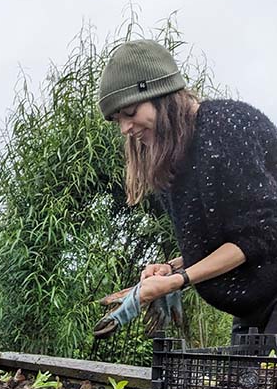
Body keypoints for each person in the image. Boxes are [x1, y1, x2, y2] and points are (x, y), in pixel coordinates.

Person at [97, 39, 277, 338]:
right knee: (243, 384)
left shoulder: (225, 128)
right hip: (253, 305)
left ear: (161, 95)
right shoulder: (172, 155)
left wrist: (178, 280)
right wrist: (172, 267)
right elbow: (233, 240)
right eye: (118, 120)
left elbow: (262, 234)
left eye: (130, 112)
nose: (125, 128)